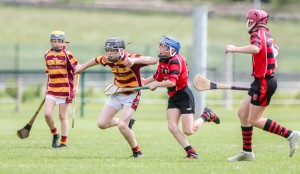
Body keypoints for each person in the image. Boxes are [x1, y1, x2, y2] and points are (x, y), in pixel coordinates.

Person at [224, 9, 300, 161]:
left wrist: (235, 49)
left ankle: (291, 134)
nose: (248, 23)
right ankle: (247, 152)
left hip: (264, 81)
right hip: (260, 80)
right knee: (242, 114)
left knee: (254, 119)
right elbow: (275, 50)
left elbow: (256, 48)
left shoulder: (257, 34)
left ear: (257, 22)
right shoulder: (267, 35)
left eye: (250, 20)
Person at [75, 37, 157, 158]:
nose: (111, 53)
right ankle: (126, 121)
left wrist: (135, 60)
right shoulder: (107, 59)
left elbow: (153, 60)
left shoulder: (130, 58)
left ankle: (137, 152)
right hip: (117, 92)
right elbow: (96, 60)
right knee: (102, 124)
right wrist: (83, 67)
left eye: (114, 50)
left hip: (132, 95)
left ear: (122, 50)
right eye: (108, 50)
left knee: (123, 126)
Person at [142, 36, 220, 159]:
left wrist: (156, 85)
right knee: (172, 127)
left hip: (184, 96)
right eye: (161, 46)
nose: (161, 49)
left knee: (188, 131)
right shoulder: (163, 60)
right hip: (173, 96)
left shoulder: (176, 60)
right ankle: (191, 152)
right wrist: (146, 81)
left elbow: (172, 82)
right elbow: (159, 75)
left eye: (165, 47)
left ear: (172, 49)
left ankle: (206, 115)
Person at [44, 30, 80, 148]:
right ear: (51, 42)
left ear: (63, 42)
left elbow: (77, 69)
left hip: (65, 89)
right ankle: (55, 133)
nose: (57, 44)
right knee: (47, 114)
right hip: (52, 88)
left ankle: (63, 143)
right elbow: (47, 72)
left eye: (59, 41)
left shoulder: (67, 54)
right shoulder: (47, 55)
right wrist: (46, 87)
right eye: (54, 41)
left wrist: (75, 86)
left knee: (62, 116)